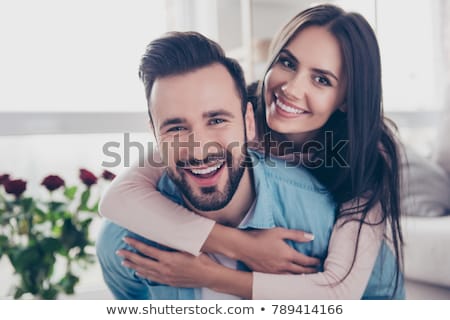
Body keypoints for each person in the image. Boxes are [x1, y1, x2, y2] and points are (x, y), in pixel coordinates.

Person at [97, 4, 405, 299]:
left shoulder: (368, 155)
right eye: (287, 62)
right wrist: (240, 245)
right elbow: (120, 197)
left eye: (321, 79)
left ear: (346, 99)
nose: (292, 89)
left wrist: (209, 275)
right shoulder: (240, 110)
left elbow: (340, 291)